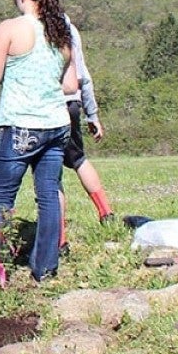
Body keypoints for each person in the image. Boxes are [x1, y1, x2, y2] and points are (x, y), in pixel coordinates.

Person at [0, 0, 77, 284]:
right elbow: (70, 84)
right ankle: (45, 269)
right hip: (57, 125)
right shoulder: (61, 34)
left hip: (21, 124)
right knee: (49, 194)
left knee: (2, 197)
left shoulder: (10, 28)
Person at [58, 17, 114, 250]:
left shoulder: (30, 27)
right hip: (72, 103)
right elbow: (84, 75)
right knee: (78, 158)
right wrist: (92, 114)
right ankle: (106, 212)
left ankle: (59, 237)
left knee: (49, 171)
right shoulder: (69, 28)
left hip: (44, 105)